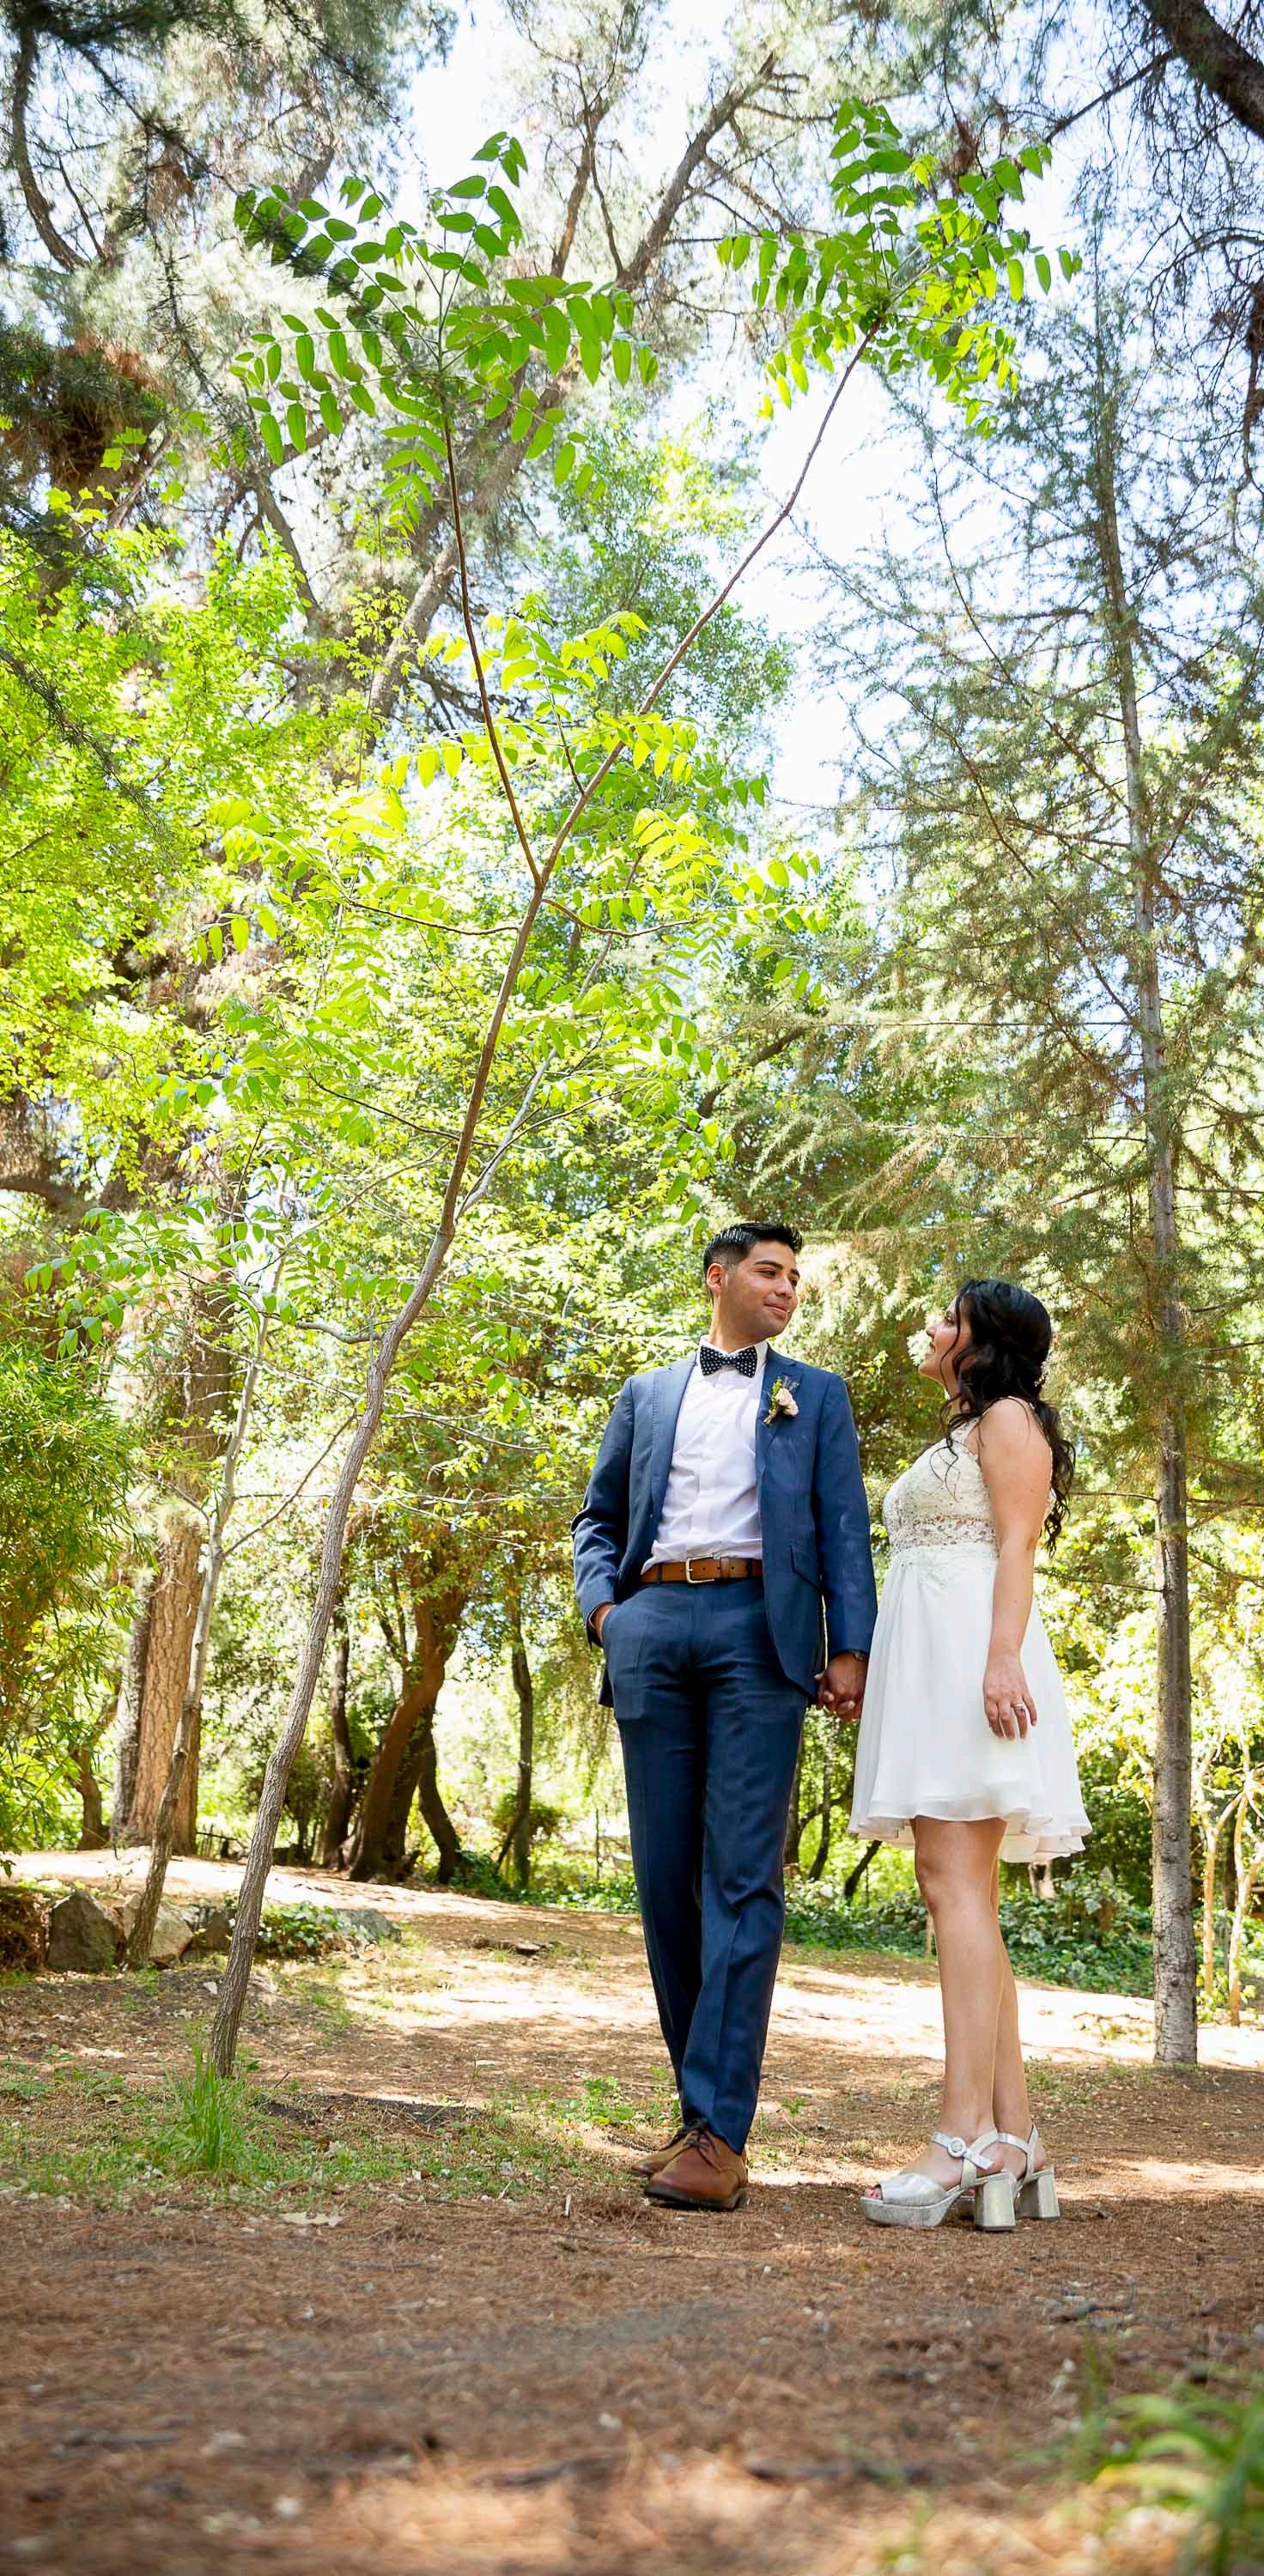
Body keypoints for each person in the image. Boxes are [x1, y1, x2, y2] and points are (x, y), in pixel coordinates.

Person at [572, 1221, 876, 2213]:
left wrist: (848, 1649)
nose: (786, 1288)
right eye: (768, 1271)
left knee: (740, 1879)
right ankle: (693, 2114)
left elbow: (843, 1528)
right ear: (718, 1278)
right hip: (651, 1626)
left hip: (759, 1630)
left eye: (794, 1277)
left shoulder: (814, 1396)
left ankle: (719, 2137)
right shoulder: (645, 1394)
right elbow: (597, 1518)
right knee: (664, 1882)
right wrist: (608, 1615)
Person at [848, 1278, 1088, 2233]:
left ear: (981, 1341)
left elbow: (1017, 1547)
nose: (929, 1326)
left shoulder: (1009, 1421)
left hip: (971, 1665)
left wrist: (999, 1662)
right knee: (963, 1896)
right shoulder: (966, 1427)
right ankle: (1014, 2138)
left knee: (952, 1889)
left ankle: (960, 2137)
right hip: (933, 1661)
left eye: (947, 1318)